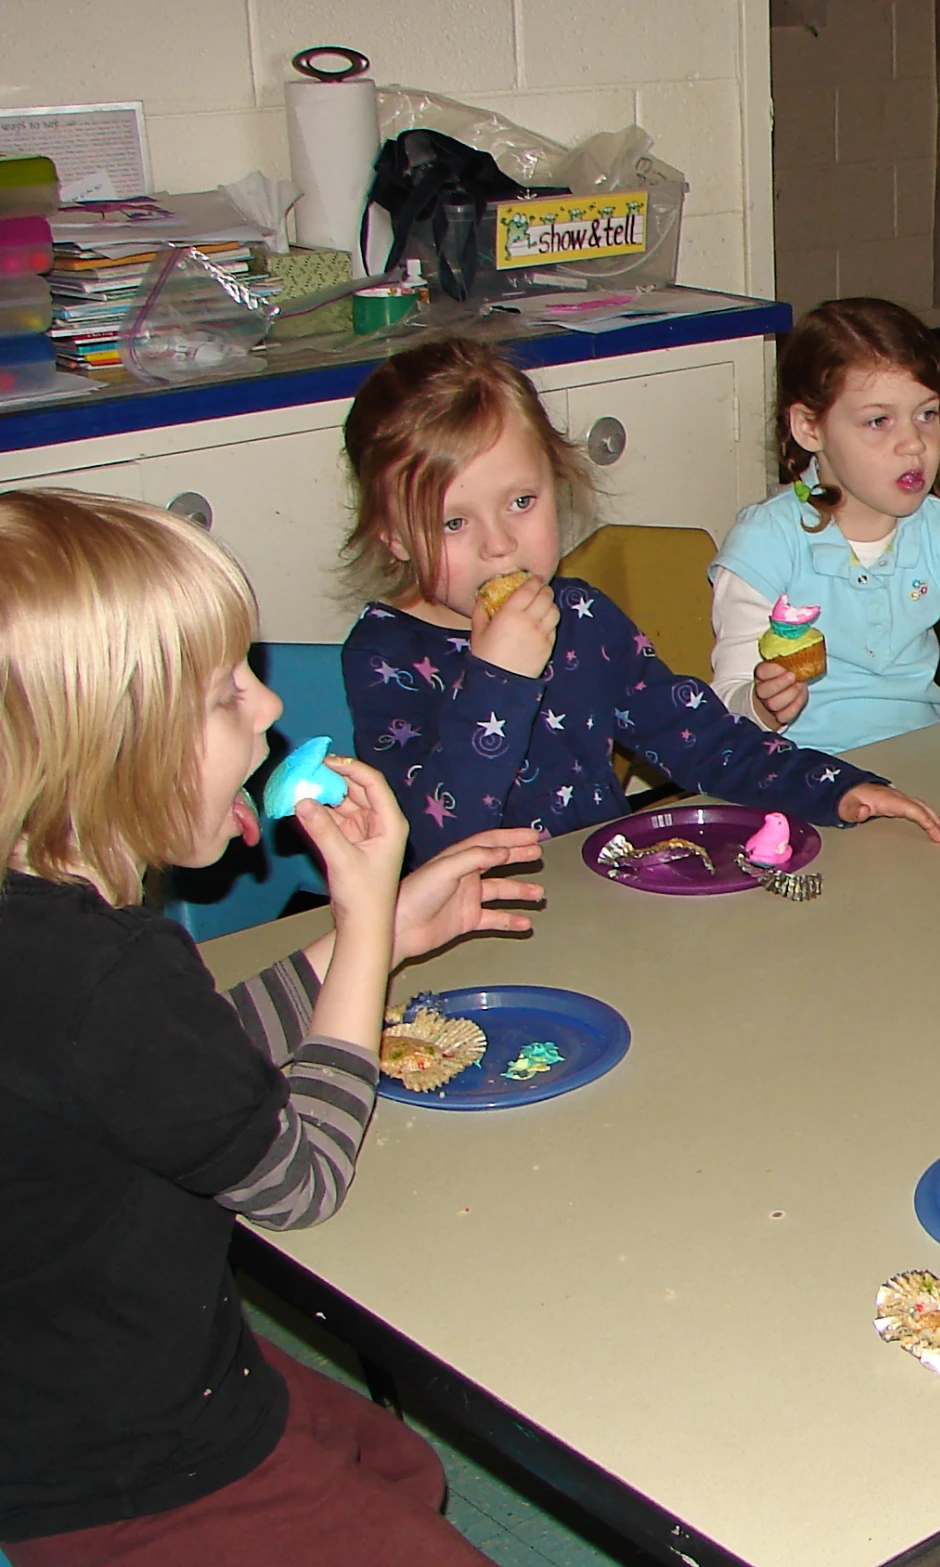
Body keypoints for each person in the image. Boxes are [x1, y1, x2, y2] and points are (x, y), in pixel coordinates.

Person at [0, 489, 545, 1565]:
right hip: (129, 1470)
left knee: (401, 1467)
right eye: (221, 696)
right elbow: (298, 1179)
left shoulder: (54, 951)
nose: (265, 710)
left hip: (72, 1381)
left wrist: (375, 943)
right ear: (107, 746)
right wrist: (358, 912)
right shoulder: (107, 968)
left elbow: (177, 1065)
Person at [339, 337, 940, 864]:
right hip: (469, 934)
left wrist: (834, 788)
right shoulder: (383, 656)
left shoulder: (580, 616)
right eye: (453, 524)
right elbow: (435, 839)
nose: (499, 546)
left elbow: (707, 741)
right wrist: (497, 676)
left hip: (598, 899)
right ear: (392, 535)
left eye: (521, 502)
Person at [709, 298, 940, 751]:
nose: (913, 444)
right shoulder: (766, 541)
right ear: (809, 429)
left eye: (926, 415)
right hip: (799, 773)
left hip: (923, 766)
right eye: (878, 421)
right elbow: (725, 705)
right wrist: (760, 704)